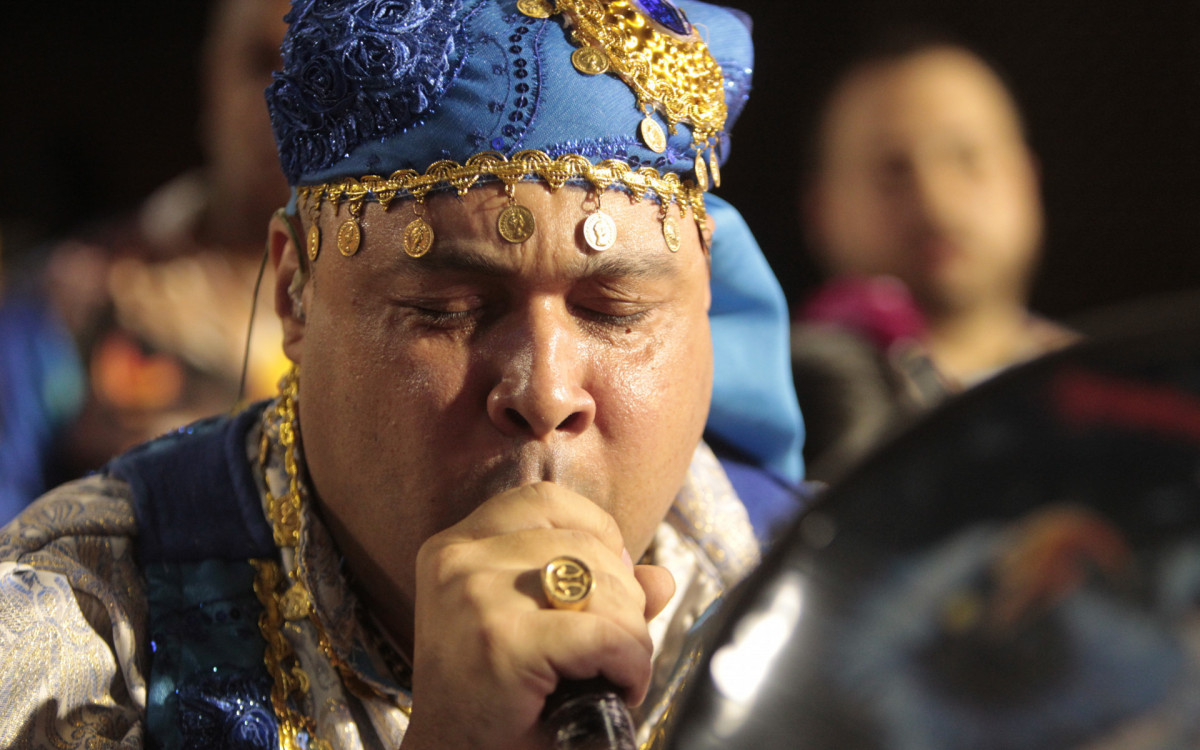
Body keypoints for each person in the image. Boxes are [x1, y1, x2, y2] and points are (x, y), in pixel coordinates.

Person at [0, 1, 805, 748]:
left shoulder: (827, 601)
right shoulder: (73, 635)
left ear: (704, 299)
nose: (545, 391)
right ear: (295, 294)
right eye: (447, 309)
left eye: (615, 311)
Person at [0, 0, 294, 522]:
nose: (283, 99)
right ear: (211, 75)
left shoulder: (396, 307)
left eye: (314, 69)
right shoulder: (79, 295)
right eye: (259, 62)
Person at [793, 31, 1077, 481]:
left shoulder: (1123, 400)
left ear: (1027, 179)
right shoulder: (779, 418)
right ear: (821, 212)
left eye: (967, 157)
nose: (935, 199)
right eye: (891, 170)